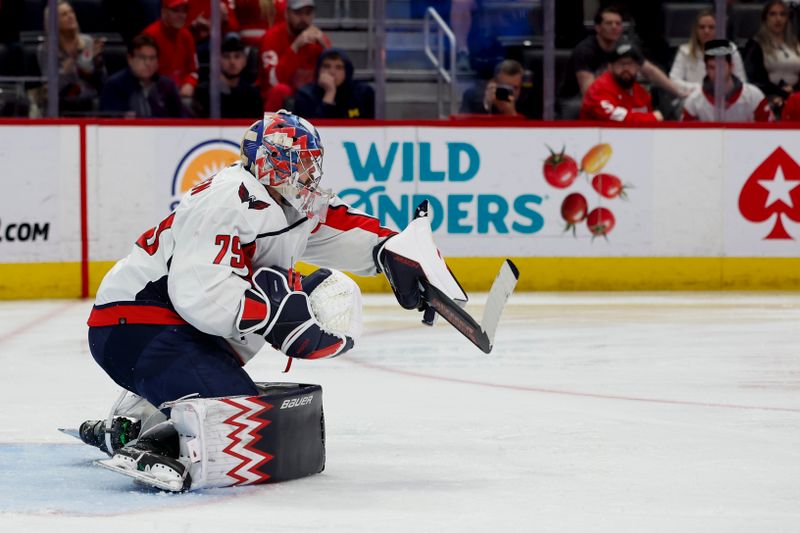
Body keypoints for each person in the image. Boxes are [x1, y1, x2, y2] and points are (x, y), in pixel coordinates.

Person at [79, 110, 469, 491]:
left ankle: (129, 423)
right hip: (134, 326)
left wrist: (393, 252)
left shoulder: (286, 202)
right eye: (300, 164)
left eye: (312, 165)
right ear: (272, 164)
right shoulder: (229, 198)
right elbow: (198, 290)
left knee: (248, 401)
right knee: (239, 421)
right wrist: (271, 313)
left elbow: (340, 227)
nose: (309, 176)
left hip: (163, 329)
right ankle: (148, 445)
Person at [557, 6, 687, 118]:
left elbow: (651, 72)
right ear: (598, 27)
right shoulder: (585, 50)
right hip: (577, 99)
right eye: (609, 23)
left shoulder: (625, 46)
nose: (614, 27)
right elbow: (589, 93)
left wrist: (678, 92)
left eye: (618, 24)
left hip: (609, 97)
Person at [258, 0, 330, 111]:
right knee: (281, 90)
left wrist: (326, 48)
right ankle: (270, 127)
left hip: (308, 96)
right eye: (298, 13)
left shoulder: (319, 39)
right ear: (287, 14)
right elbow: (273, 80)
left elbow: (334, 77)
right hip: (278, 101)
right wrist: (295, 47)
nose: (303, 18)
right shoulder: (272, 37)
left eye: (308, 13)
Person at [37, 0, 106, 115]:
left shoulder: (88, 41)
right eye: (64, 14)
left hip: (88, 104)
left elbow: (102, 81)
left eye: (71, 12)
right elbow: (51, 87)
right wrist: (72, 59)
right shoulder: (46, 50)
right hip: (60, 106)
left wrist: (98, 63)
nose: (70, 16)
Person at [682, 39, 773, 122]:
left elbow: (769, 133)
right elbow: (686, 137)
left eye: (721, 66)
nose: (717, 72)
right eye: (712, 67)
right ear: (705, 69)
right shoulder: (693, 102)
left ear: (731, 67)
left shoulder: (754, 97)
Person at [99, 34, 186, 118]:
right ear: (130, 59)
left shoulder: (166, 86)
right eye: (142, 58)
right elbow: (110, 122)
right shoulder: (114, 86)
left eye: (152, 58)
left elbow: (183, 118)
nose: (148, 63)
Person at [579, 38, 663, 123]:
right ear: (610, 67)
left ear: (638, 67)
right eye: (621, 63)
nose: (626, 68)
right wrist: (652, 117)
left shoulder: (642, 94)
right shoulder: (598, 89)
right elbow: (615, 118)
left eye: (630, 63)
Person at [743, 0, 800, 115]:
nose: (778, 19)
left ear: (787, 19)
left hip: (796, 100)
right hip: (769, 99)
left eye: (782, 14)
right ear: (765, 18)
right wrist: (779, 93)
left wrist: (794, 92)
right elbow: (754, 79)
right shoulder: (755, 45)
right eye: (773, 14)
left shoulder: (796, 44)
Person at [670, 9, 747, 93]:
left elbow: (742, 82)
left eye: (711, 27)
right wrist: (702, 89)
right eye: (702, 27)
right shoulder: (685, 51)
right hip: (692, 98)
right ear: (696, 30)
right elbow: (673, 81)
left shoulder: (730, 50)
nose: (706, 31)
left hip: (724, 98)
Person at [192, 33, 263, 117]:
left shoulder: (252, 95)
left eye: (237, 56)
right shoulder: (204, 92)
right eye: (226, 57)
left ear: (245, 61)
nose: (232, 62)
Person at [292, 49, 374, 119]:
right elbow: (311, 131)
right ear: (318, 70)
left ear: (347, 71)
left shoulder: (363, 94)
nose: (332, 72)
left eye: (339, 67)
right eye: (326, 66)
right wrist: (330, 93)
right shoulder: (305, 95)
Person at [142, 0, 199, 100]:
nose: (181, 15)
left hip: (181, 95)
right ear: (164, 12)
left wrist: (189, 83)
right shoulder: (150, 36)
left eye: (184, 11)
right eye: (176, 11)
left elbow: (193, 70)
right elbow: (144, 74)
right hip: (155, 95)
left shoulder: (186, 36)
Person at [459, 58, 523, 117]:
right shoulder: (472, 96)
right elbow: (461, 125)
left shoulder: (526, 101)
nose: (512, 92)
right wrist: (487, 106)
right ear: (493, 83)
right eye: (506, 87)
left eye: (515, 88)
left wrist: (511, 113)